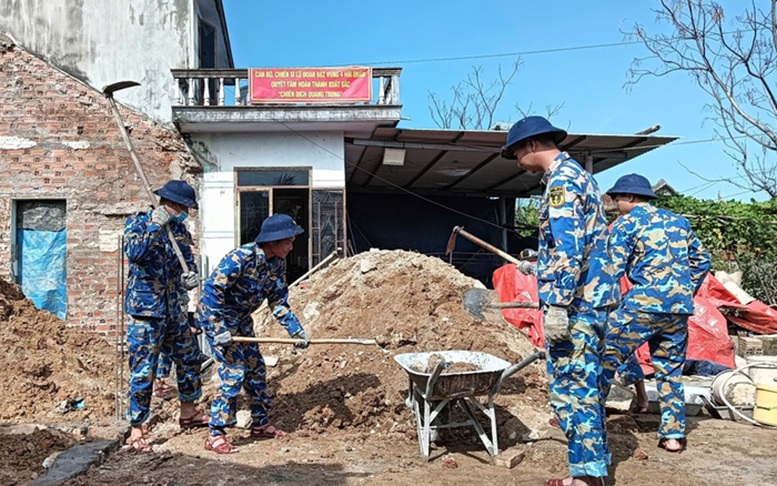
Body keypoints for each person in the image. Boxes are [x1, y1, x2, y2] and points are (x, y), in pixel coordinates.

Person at [505, 116, 617, 486]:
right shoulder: (580, 177)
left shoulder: (562, 183)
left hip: (576, 305)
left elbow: (569, 250)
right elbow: (571, 246)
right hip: (589, 299)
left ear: (533, 145)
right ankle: (592, 466)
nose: (518, 160)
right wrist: (538, 265)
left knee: (574, 387)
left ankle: (586, 478)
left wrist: (557, 305)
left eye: (517, 152)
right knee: (583, 384)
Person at [600, 174, 710, 452]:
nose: (614, 203)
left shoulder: (626, 223)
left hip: (643, 306)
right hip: (678, 310)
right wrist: (683, 290)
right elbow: (702, 260)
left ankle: (587, 420)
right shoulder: (678, 222)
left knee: (604, 358)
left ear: (632, 198)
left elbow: (612, 269)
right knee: (670, 372)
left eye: (617, 198)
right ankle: (673, 437)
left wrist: (603, 304)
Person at [198, 213, 311, 454]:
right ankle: (215, 434)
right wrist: (219, 330)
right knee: (234, 371)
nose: (291, 247)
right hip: (217, 318)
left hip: (241, 320)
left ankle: (260, 424)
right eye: (288, 242)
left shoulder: (277, 264)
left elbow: (278, 301)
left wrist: (296, 331)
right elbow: (211, 293)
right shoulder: (240, 258)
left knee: (256, 368)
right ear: (272, 241)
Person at [124, 180, 209, 453]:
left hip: (174, 309)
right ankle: (137, 429)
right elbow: (135, 254)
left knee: (189, 358)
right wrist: (154, 226)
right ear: (171, 204)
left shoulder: (180, 231)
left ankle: (188, 412)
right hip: (146, 310)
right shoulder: (139, 223)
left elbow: (186, 262)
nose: (185, 211)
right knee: (143, 370)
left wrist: (189, 277)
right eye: (183, 207)